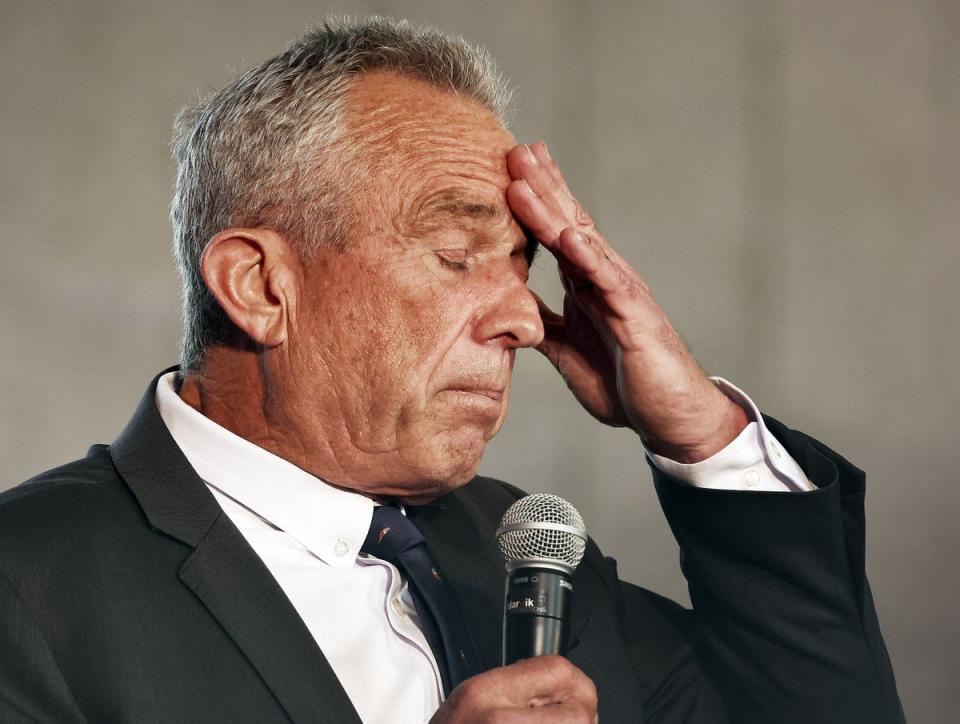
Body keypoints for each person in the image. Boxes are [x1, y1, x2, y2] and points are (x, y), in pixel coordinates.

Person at [0, 17, 903, 724]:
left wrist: (702, 433)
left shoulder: (537, 557)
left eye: (522, 264)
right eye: (456, 252)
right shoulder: (28, 587)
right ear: (261, 285)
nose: (521, 318)